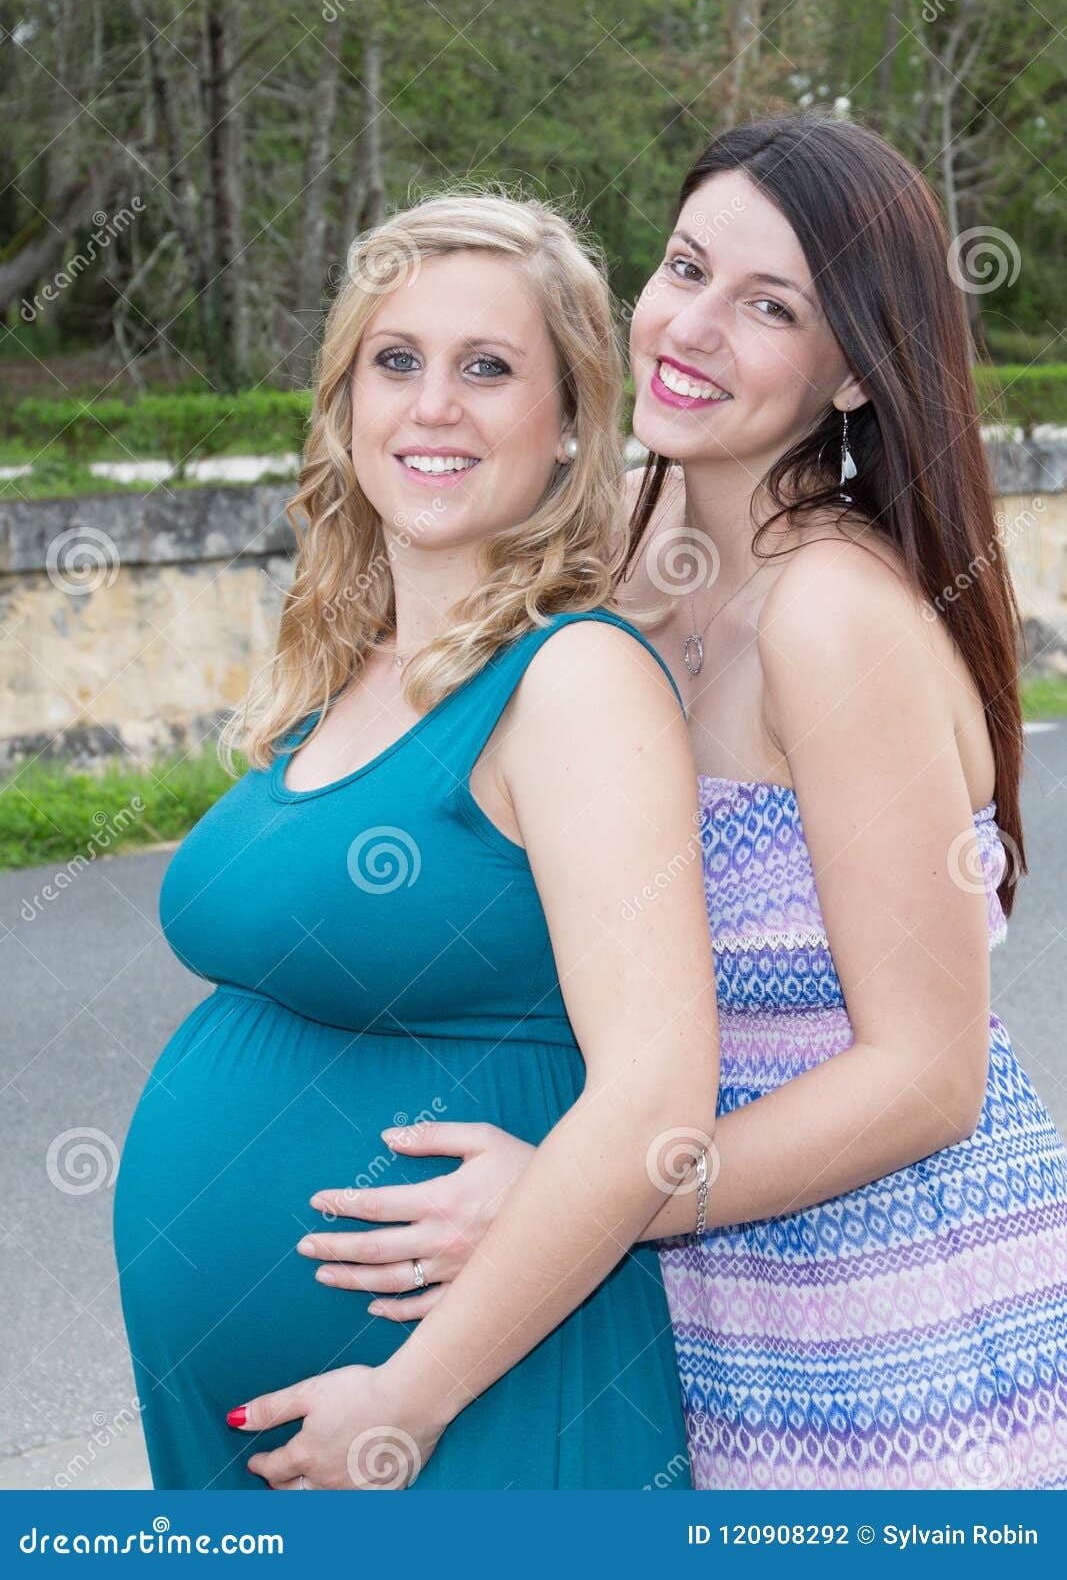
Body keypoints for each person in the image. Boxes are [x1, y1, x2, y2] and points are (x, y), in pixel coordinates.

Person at [304, 115, 1067, 1491]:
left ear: (851, 373)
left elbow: (928, 1075)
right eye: (685, 267)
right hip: (704, 1311)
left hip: (896, 1329)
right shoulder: (613, 568)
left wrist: (577, 1199)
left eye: (769, 305)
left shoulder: (832, 616)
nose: (693, 326)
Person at [112, 190, 719, 1490]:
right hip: (276, 1432)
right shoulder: (344, 668)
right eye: (398, 360)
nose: (432, 404)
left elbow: (660, 1096)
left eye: (488, 367)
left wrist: (408, 1398)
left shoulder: (574, 678)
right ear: (345, 402)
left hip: (464, 1406)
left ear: (567, 429)